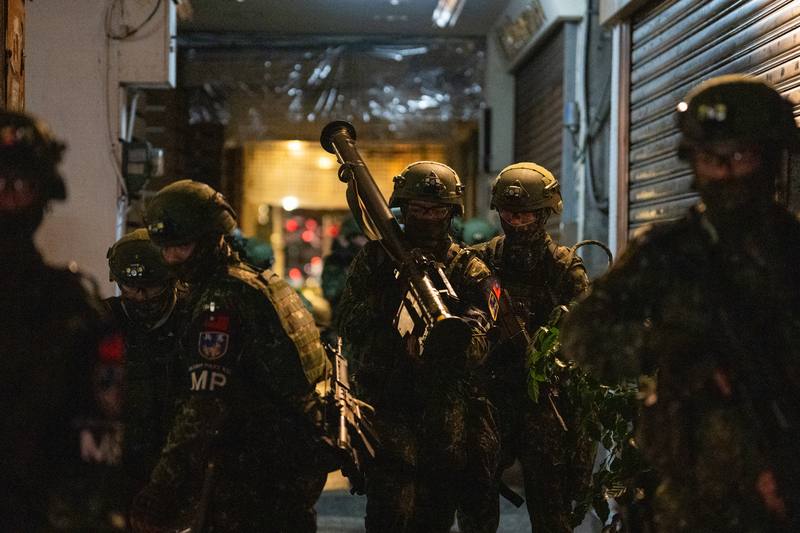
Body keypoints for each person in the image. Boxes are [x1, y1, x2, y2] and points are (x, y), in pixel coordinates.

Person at [561, 74, 800, 531]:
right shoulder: (667, 253)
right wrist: (668, 347)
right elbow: (581, 334)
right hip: (693, 498)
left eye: (741, 157)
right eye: (713, 160)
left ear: (771, 158)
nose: (727, 174)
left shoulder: (792, 253)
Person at [131, 180, 332, 532]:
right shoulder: (256, 282)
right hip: (291, 460)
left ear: (211, 239)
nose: (171, 259)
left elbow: (204, 406)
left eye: (182, 247)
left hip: (258, 471)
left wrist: (163, 486)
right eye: (165, 248)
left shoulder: (219, 302)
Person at [337, 161, 499, 533]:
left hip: (444, 414)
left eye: (437, 210)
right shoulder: (375, 261)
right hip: (386, 403)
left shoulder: (469, 269)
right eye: (417, 210)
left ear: (451, 213)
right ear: (403, 209)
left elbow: (479, 342)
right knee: (388, 511)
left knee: (433, 514)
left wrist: (441, 345)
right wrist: (384, 304)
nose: (427, 218)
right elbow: (347, 324)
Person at [0, 110, 111, 530]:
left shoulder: (70, 304)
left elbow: (98, 441)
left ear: (42, 194)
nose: (7, 198)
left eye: (20, 185)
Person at [469, 162, 592, 532]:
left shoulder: (563, 267)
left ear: (544, 213)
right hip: (490, 397)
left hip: (544, 401)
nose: (517, 222)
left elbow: (582, 342)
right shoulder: (481, 261)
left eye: (525, 214)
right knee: (475, 504)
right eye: (509, 213)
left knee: (552, 509)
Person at [105, 229, 186, 495]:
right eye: (130, 287)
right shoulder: (102, 322)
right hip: (120, 465)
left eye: (150, 286)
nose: (140, 296)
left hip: (180, 464)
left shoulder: (194, 317)